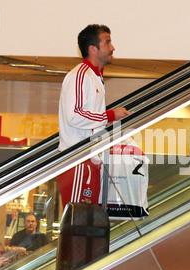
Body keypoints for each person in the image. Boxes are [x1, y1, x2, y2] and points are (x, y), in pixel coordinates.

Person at [57, 24, 130, 206]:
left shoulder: (95, 77)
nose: (112, 48)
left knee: (87, 224)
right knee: (77, 224)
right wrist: (111, 115)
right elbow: (75, 115)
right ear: (92, 48)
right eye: (107, 42)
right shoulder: (80, 75)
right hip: (78, 160)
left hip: (89, 160)